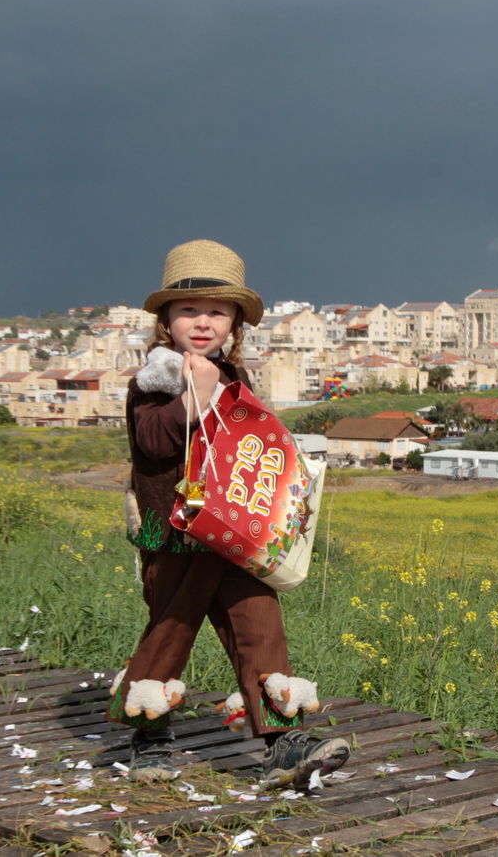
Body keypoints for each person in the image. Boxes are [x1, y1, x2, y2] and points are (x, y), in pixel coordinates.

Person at [109, 239, 349, 788]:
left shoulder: (236, 379)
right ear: (166, 319)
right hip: (175, 535)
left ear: (235, 324)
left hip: (238, 532)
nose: (202, 322)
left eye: (217, 312)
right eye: (189, 310)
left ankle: (283, 743)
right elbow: (152, 442)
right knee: (171, 630)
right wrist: (192, 397)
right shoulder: (154, 381)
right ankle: (149, 736)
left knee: (260, 625)